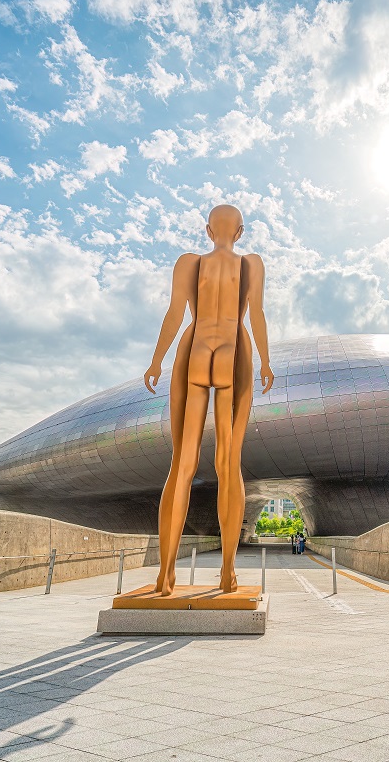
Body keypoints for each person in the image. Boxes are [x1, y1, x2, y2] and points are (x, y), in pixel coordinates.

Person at [144, 204, 274, 595]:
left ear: (206, 230)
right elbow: (256, 315)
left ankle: (165, 574)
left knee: (181, 463)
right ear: (240, 232)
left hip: (195, 348)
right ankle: (227, 572)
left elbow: (174, 313)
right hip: (233, 350)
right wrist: (266, 361)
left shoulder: (189, 262)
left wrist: (156, 360)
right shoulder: (251, 263)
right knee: (228, 462)